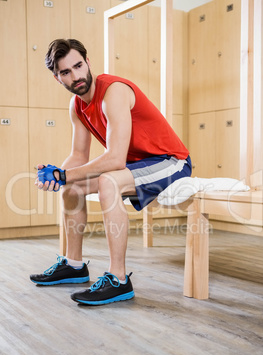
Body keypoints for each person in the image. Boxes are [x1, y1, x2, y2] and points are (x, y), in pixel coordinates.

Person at [30, 39, 192, 306]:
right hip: (135, 166)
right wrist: (58, 174)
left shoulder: (113, 91)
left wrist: (66, 175)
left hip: (170, 160)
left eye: (78, 65)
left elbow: (115, 159)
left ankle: (118, 279)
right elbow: (79, 155)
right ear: (57, 78)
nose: (76, 75)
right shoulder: (77, 106)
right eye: (66, 72)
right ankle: (73, 265)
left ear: (88, 62)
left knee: (107, 182)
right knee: (73, 188)